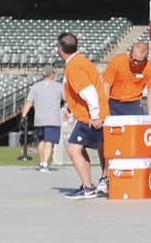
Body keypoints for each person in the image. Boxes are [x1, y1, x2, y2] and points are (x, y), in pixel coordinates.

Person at [58, 32, 110, 199]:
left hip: (91, 116)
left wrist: (95, 116)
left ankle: (88, 187)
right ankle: (87, 184)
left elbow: (89, 92)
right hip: (88, 114)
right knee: (79, 149)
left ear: (60, 49)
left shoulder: (74, 67)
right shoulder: (80, 61)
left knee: (73, 149)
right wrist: (68, 106)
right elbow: (78, 92)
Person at [19, 69, 64, 172]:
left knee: (41, 140)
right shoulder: (58, 86)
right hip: (53, 118)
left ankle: (42, 161)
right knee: (49, 141)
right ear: (52, 75)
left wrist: (23, 116)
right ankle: (45, 163)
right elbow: (66, 99)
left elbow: (29, 102)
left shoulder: (35, 87)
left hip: (39, 118)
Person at [102, 42, 151, 117]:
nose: (134, 62)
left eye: (138, 61)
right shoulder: (117, 61)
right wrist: (104, 109)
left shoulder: (149, 67)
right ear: (131, 52)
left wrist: (150, 115)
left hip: (133, 104)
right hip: (113, 102)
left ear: (145, 58)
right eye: (132, 58)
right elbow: (106, 86)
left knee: (140, 127)